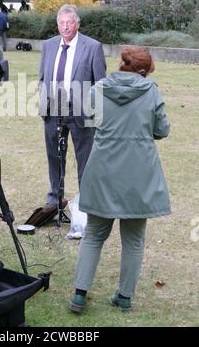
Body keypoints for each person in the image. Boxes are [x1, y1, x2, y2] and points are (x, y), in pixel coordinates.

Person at [69, 47, 171, 313]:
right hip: (139, 174)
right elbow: (162, 129)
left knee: (93, 235)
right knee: (134, 240)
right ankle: (124, 297)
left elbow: (89, 120)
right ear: (144, 70)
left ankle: (80, 294)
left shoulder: (98, 89)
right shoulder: (151, 91)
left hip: (103, 170)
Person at [39, 4, 106, 210]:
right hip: (53, 109)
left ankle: (86, 201)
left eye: (69, 23)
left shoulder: (92, 47)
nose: (65, 27)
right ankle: (54, 198)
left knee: (84, 157)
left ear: (77, 24)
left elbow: (101, 84)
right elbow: (43, 77)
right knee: (54, 156)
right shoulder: (49, 45)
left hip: (82, 111)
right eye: (61, 23)